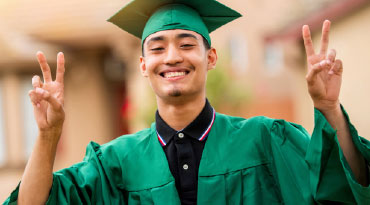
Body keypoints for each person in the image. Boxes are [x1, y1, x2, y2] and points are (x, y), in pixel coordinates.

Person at [4, 0, 370, 204]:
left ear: (210, 58)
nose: (172, 56)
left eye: (187, 43)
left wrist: (328, 108)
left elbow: (344, 187)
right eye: (158, 47)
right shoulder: (113, 164)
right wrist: (48, 134)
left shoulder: (265, 140)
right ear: (144, 65)